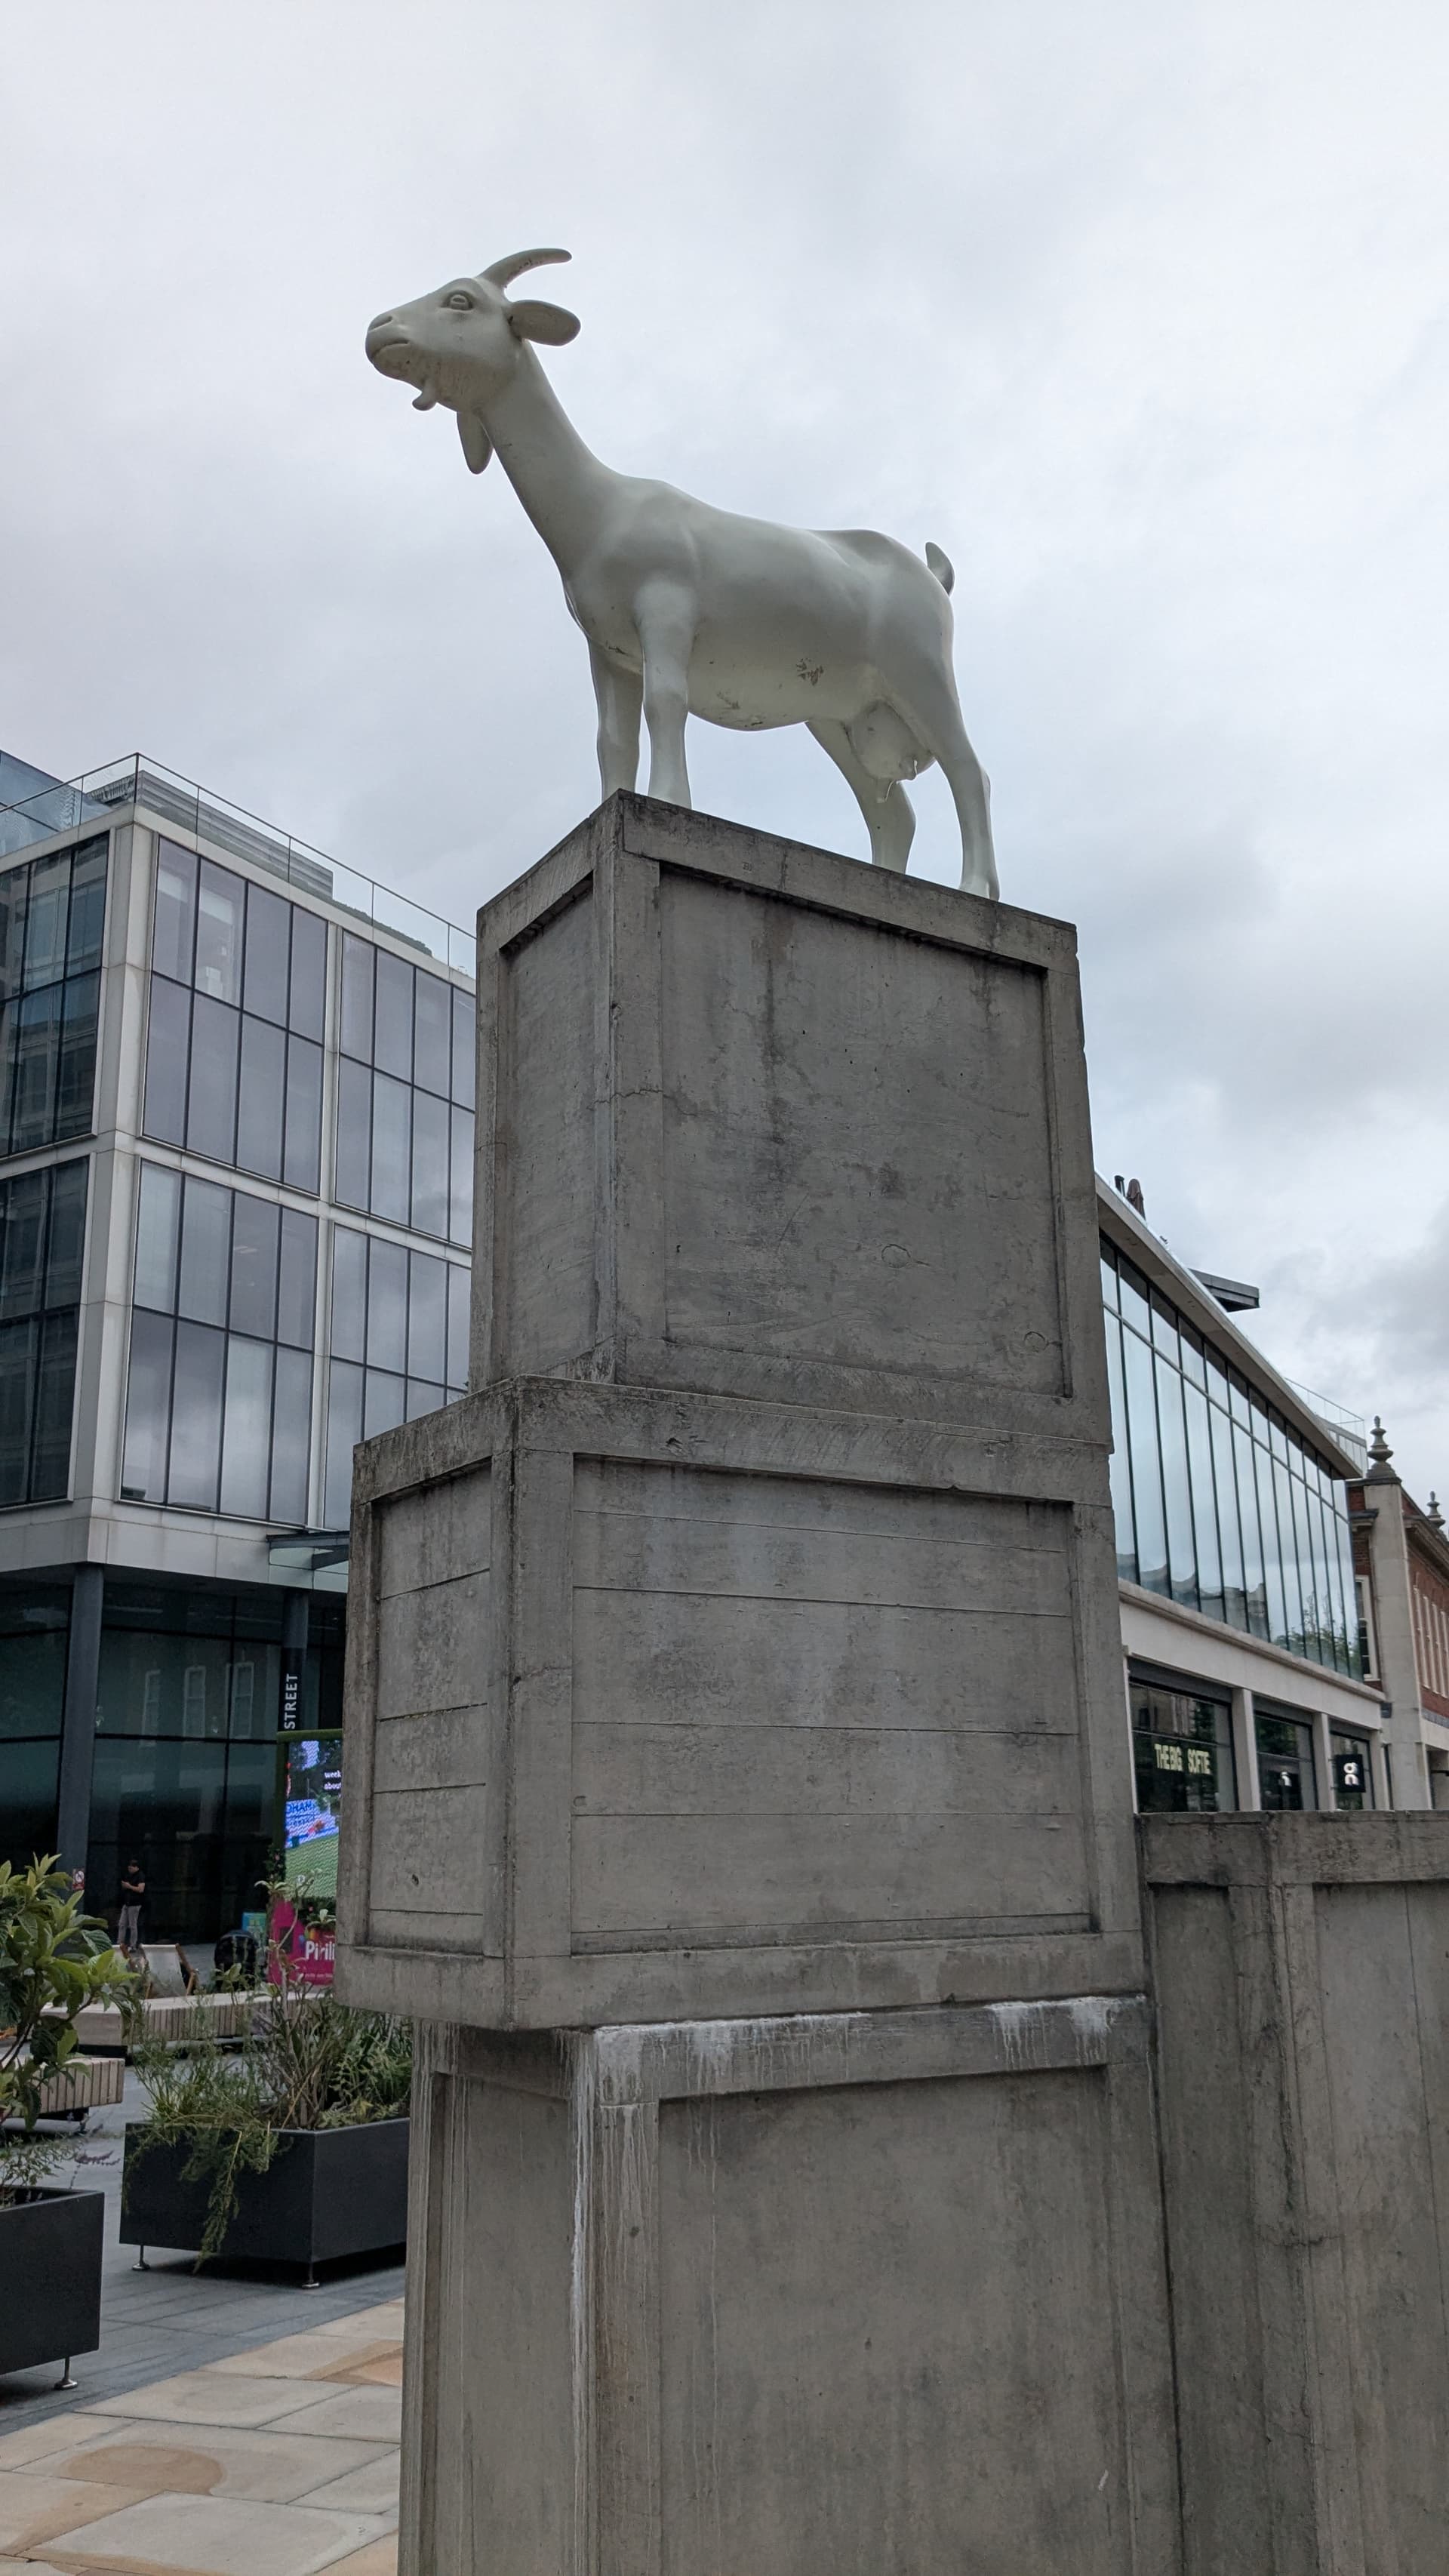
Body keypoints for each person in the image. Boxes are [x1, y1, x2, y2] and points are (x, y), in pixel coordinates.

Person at [117, 1857, 146, 1954]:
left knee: (132, 1925)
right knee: (122, 1924)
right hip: (127, 1903)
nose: (130, 1870)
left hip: (135, 1904)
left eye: (131, 1868)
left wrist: (129, 1886)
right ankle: (120, 1943)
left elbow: (141, 1889)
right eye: (129, 1868)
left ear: (136, 1867)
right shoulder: (128, 1875)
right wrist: (125, 1886)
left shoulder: (140, 1876)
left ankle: (133, 1945)